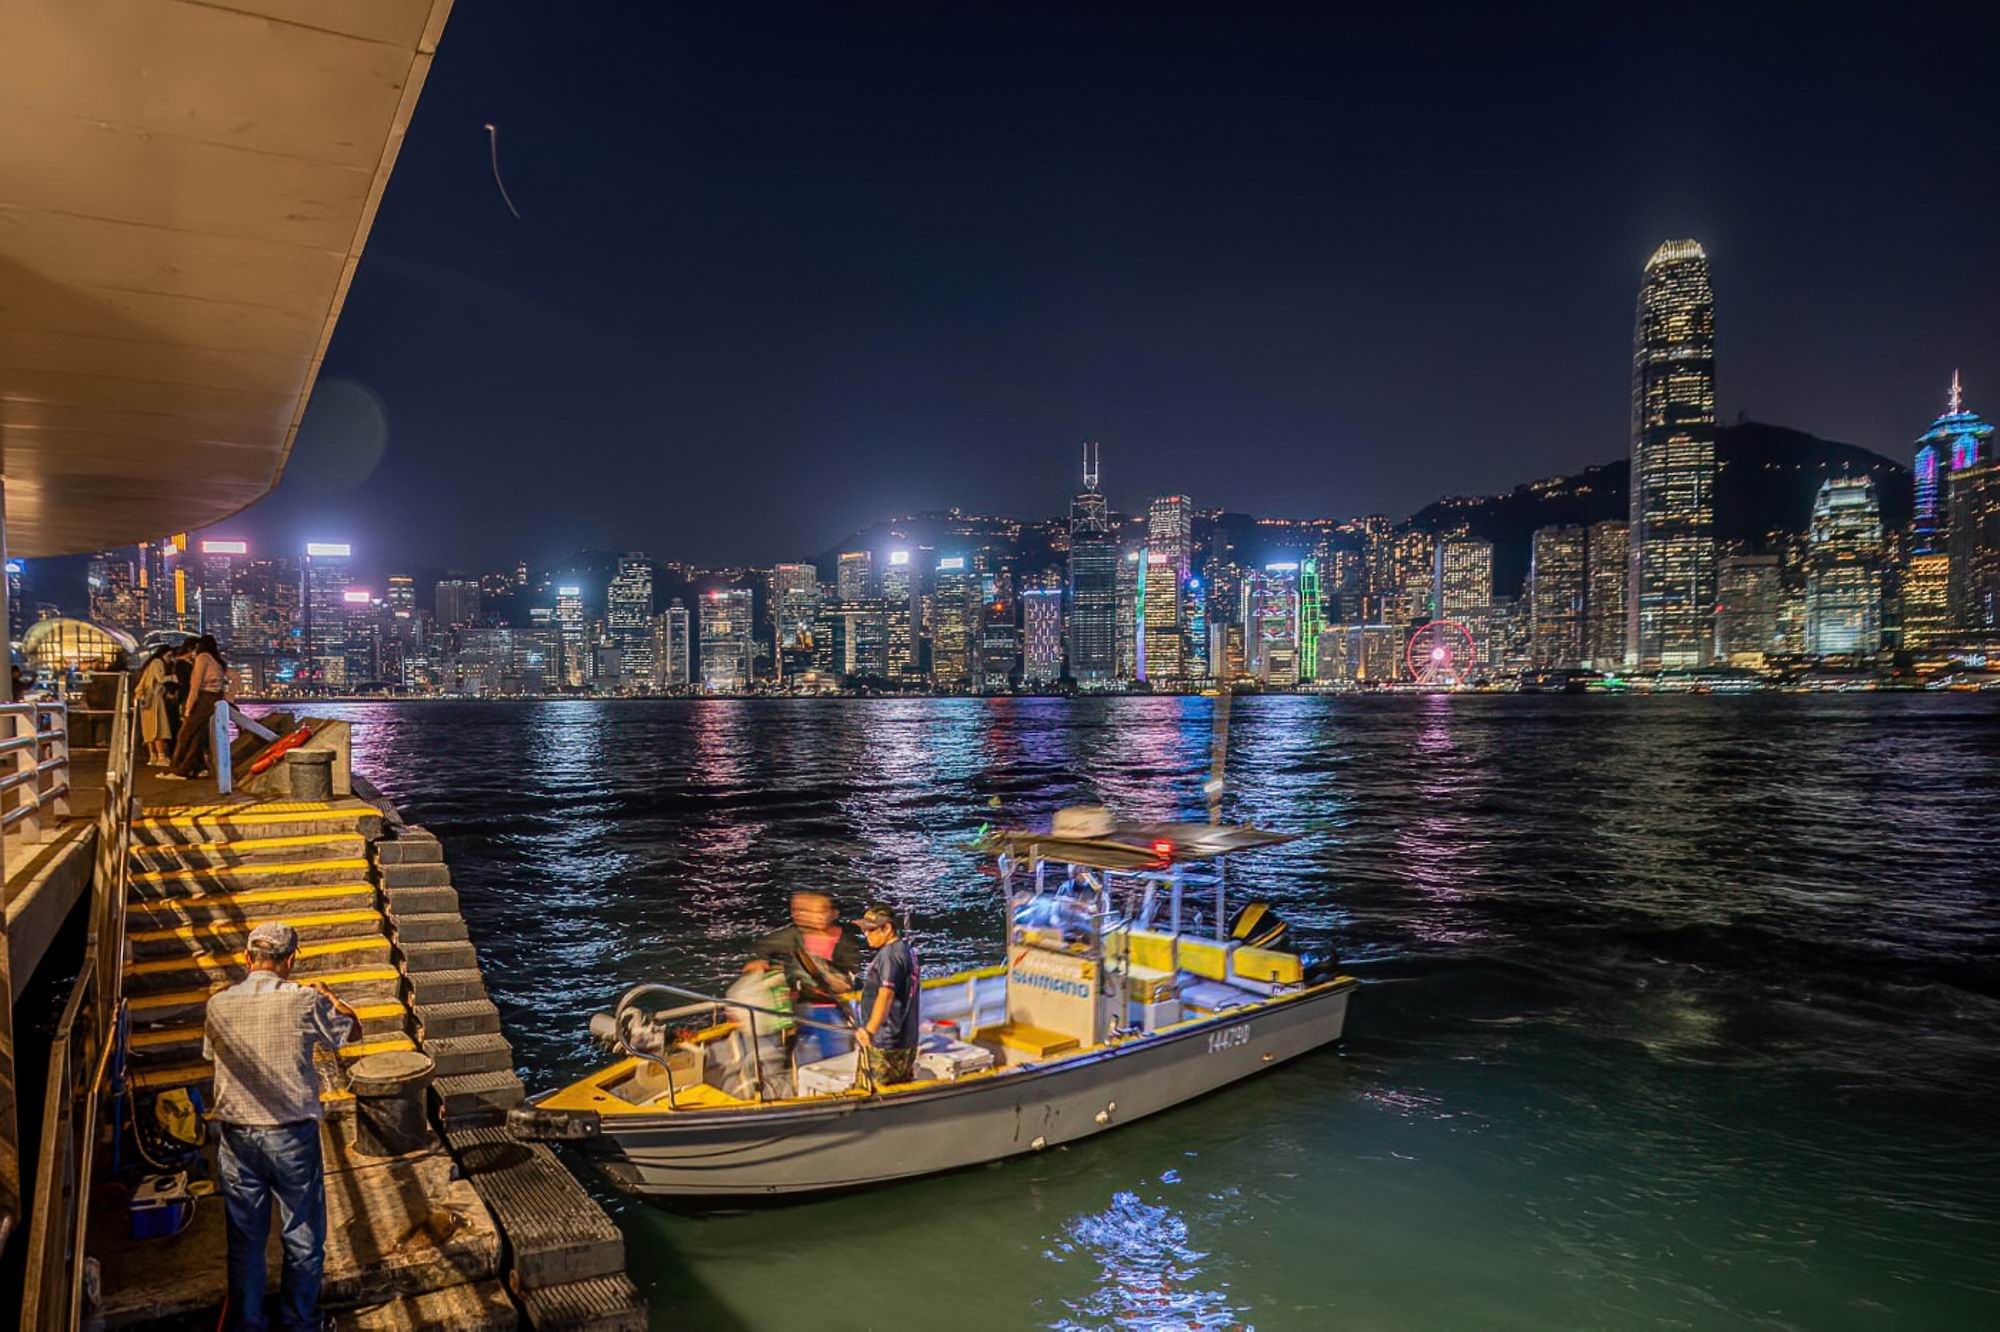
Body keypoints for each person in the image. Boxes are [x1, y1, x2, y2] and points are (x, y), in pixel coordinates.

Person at [203, 921, 358, 1331]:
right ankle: (299, 1322)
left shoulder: (217, 1005)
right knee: (302, 1237)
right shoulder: (305, 1000)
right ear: (290, 960)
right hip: (291, 1134)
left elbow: (211, 1055)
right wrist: (332, 997)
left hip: (236, 1136)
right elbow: (350, 1032)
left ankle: (248, 1323)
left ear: (247, 957)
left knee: (245, 1240)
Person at [753, 890, 863, 1066]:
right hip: (799, 1007)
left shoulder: (843, 942)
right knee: (790, 1050)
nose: (812, 916)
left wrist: (839, 983)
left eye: (821, 911)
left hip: (832, 1008)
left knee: (836, 1056)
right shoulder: (792, 937)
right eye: (802, 911)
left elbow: (851, 975)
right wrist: (761, 963)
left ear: (833, 913)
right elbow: (763, 950)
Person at [853, 903, 921, 1088]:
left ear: (887, 928)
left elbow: (886, 995)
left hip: (885, 1044)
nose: (866, 934)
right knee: (900, 1089)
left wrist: (869, 1030)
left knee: (872, 1091)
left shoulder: (889, 956)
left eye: (871, 930)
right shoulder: (906, 950)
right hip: (906, 1040)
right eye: (864, 930)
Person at [716, 959, 794, 1100]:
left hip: (755, 1035)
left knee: (759, 1069)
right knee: (769, 1071)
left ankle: (759, 1094)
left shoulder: (746, 986)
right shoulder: (769, 982)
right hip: (763, 1036)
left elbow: (734, 1010)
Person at [165, 635, 227, 780]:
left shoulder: (203, 658)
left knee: (185, 734)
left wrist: (188, 708)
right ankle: (189, 768)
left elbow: (195, 684)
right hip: (215, 698)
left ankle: (177, 769)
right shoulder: (216, 661)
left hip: (205, 698)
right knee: (197, 736)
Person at [135, 646, 175, 767]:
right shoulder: (157, 662)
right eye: (168, 656)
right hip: (154, 699)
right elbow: (160, 678)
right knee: (158, 728)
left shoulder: (150, 665)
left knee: (149, 729)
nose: (170, 659)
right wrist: (173, 677)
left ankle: (153, 755)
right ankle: (161, 756)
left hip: (146, 699)